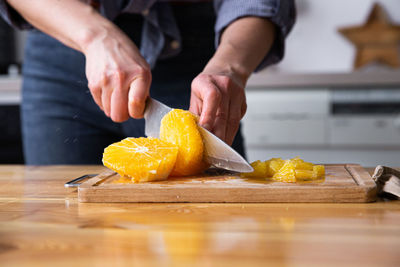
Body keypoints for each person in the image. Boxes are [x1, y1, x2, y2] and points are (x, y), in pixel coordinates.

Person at [0, 0, 295, 165]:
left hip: (198, 53)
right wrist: (94, 36)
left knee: (207, 227)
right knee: (63, 229)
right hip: (62, 30)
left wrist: (230, 66)